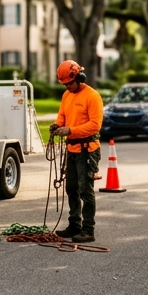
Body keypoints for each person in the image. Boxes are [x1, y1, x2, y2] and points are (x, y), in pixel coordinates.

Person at [51, 60, 104, 243]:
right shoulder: (67, 95)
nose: (67, 86)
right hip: (71, 149)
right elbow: (63, 115)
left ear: (80, 78)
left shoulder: (92, 96)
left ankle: (88, 230)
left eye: (69, 83)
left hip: (87, 150)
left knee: (85, 190)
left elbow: (95, 125)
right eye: (64, 84)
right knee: (71, 188)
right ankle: (75, 225)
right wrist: (58, 125)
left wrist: (71, 130)